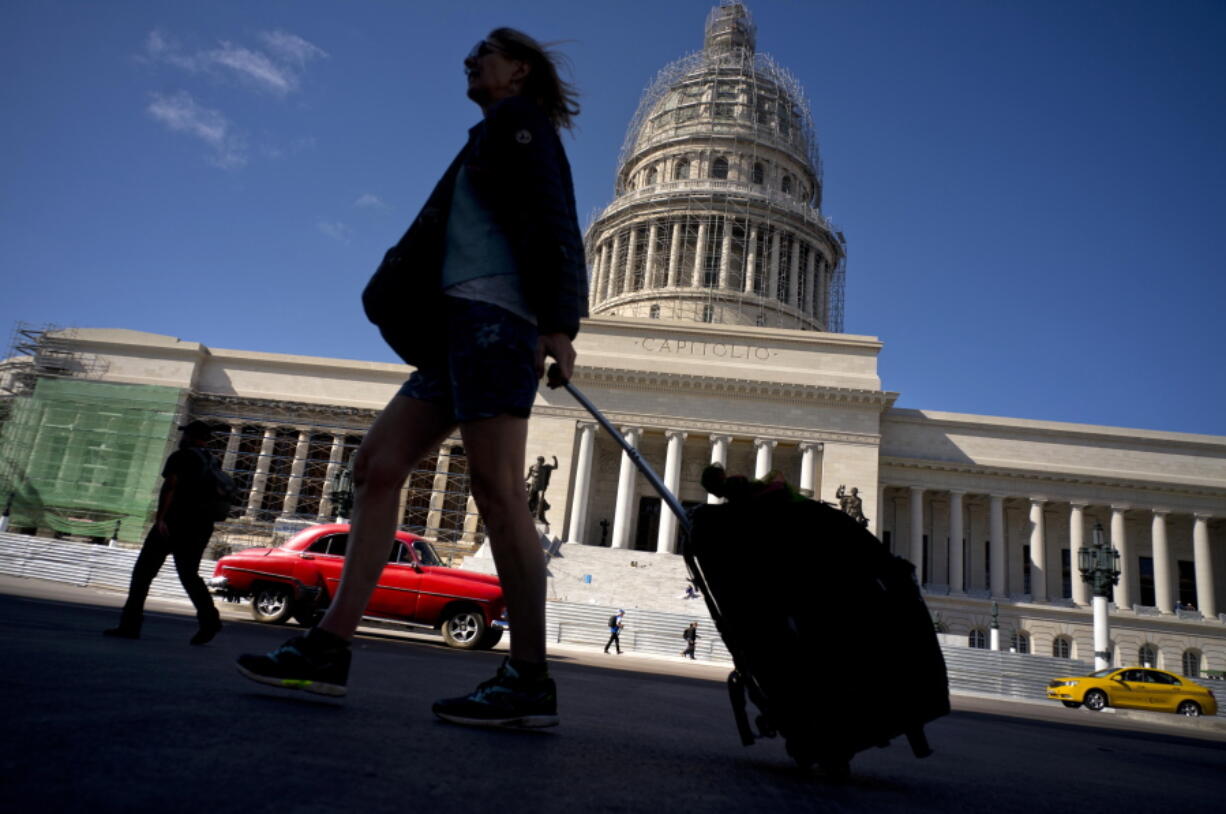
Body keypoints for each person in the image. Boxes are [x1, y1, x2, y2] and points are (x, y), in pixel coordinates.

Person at [236, 27, 586, 730]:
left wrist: (559, 323)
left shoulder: (524, 128)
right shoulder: (487, 133)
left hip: (497, 323)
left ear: (519, 71)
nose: (470, 58)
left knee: (496, 489)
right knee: (375, 465)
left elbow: (556, 220)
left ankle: (528, 674)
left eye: (487, 51)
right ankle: (329, 646)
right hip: (455, 331)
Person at [104, 420, 224, 645]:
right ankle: (209, 619)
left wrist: (160, 519)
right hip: (200, 527)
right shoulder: (212, 461)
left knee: (142, 574)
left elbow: (170, 486)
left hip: (173, 524)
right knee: (189, 575)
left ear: (188, 436)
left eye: (185, 434)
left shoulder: (181, 457)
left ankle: (130, 625)